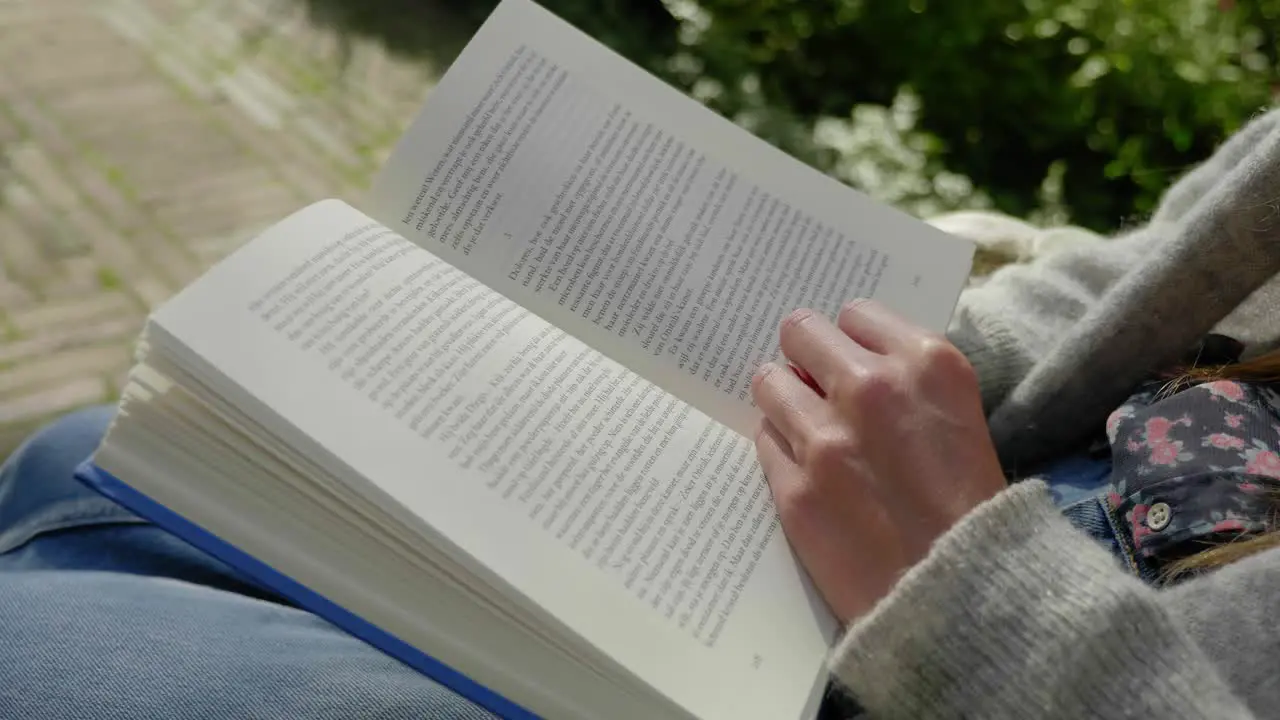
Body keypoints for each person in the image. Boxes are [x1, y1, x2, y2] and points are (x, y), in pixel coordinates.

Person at [5, 106, 1280, 718]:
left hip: (1005, 660)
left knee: (41, 644)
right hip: (1004, 486)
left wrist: (974, 604)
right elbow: (1169, 259)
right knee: (90, 460)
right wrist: (896, 378)